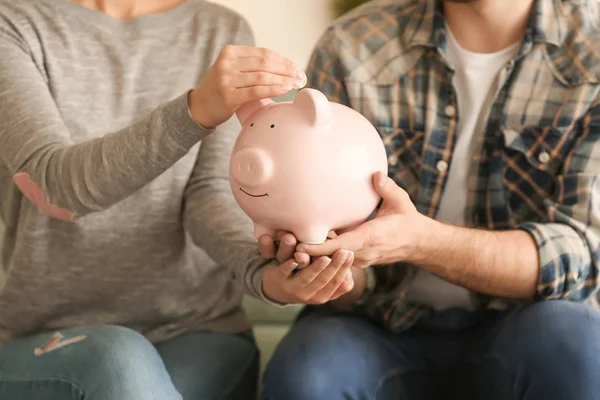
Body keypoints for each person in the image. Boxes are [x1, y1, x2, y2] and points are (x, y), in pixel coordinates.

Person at [259, 0, 600, 399]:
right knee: (307, 370)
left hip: (525, 324)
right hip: (375, 321)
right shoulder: (352, 47)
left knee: (578, 348)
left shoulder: (590, 55)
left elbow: (583, 256)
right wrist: (320, 261)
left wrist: (422, 242)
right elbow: (347, 273)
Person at [0, 0, 313, 398]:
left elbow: (208, 195)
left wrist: (265, 273)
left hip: (197, 333)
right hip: (51, 338)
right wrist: (195, 110)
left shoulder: (219, 29)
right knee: (119, 359)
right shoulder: (12, 23)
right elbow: (57, 184)